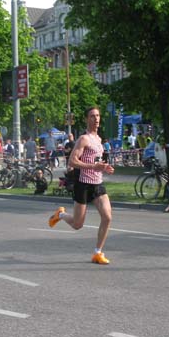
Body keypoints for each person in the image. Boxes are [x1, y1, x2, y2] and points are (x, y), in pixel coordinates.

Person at [48, 106, 115, 265]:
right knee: (78, 225)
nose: (96, 119)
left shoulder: (99, 140)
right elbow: (72, 161)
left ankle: (97, 253)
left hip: (98, 184)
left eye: (98, 115)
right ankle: (61, 215)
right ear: (87, 119)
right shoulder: (83, 139)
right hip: (83, 185)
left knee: (107, 217)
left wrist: (104, 167)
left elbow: (96, 161)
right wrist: (93, 167)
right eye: (92, 116)